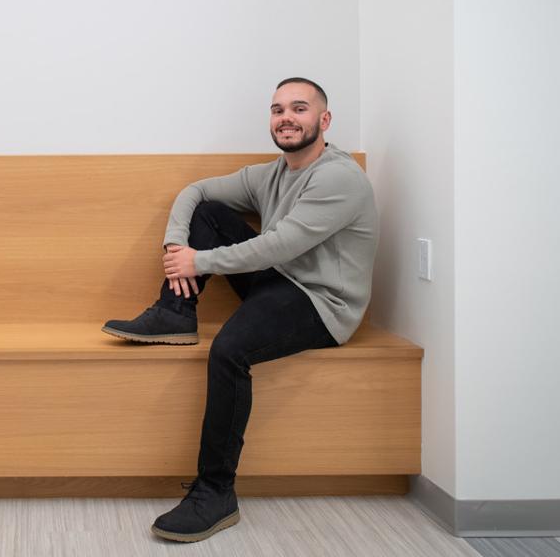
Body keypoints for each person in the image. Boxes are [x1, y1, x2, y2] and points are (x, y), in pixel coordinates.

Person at [102, 77, 378, 544]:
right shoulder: (273, 173)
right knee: (208, 211)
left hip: (322, 303)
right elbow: (194, 191)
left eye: (299, 108)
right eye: (277, 110)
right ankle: (175, 314)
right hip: (279, 282)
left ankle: (216, 492)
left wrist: (197, 261)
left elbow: (277, 245)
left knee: (229, 350)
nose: (286, 117)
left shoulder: (339, 178)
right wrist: (176, 244)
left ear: (324, 120)